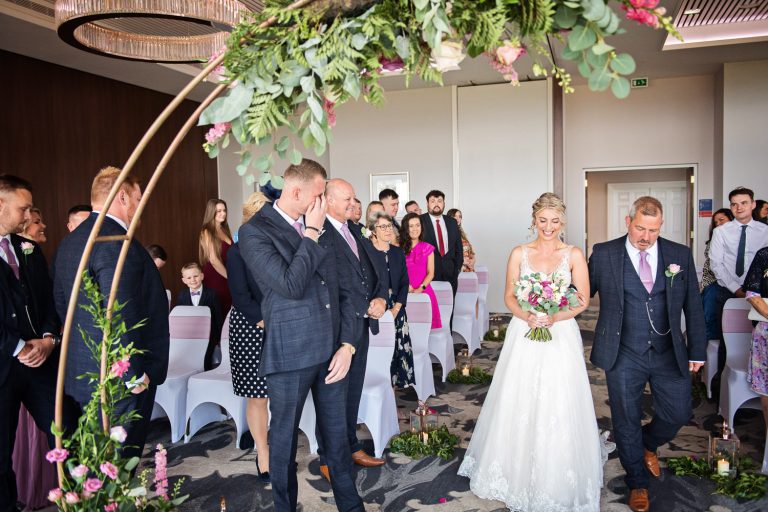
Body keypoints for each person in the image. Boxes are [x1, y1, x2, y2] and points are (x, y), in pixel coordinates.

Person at [459, 192, 602, 510]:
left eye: (554, 221)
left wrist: (554, 316)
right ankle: (513, 466)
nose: (548, 227)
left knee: (559, 395)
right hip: (524, 330)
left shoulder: (573, 254)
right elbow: (509, 296)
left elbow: (582, 300)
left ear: (563, 221)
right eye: (542, 220)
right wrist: (528, 316)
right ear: (533, 220)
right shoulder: (519, 253)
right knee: (519, 393)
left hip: (560, 332)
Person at [238, 159, 364, 512]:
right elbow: (290, 285)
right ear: (296, 191)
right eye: (318, 194)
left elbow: (347, 290)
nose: (322, 201)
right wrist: (310, 232)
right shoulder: (255, 232)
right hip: (291, 353)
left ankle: (351, 507)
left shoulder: (321, 225)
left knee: (337, 439)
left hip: (333, 352)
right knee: (283, 443)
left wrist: (348, 344)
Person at [589, 196, 706, 512]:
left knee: (678, 412)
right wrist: (550, 303)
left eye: (653, 230)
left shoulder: (679, 254)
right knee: (625, 418)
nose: (646, 237)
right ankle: (637, 482)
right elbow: (581, 293)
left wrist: (697, 349)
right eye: (640, 228)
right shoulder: (605, 253)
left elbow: (693, 305)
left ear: (661, 226)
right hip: (623, 351)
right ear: (628, 222)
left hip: (668, 350)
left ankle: (647, 443)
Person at [53, 166, 169, 461]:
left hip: (83, 373)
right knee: (119, 461)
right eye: (139, 198)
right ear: (122, 197)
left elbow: (63, 305)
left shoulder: (70, 241)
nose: (141, 206)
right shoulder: (115, 242)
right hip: (119, 382)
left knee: (95, 459)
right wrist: (133, 375)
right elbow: (120, 313)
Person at [0, 175, 77, 512]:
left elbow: (49, 300)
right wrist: (19, 347)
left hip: (40, 363)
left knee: (67, 430)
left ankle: (82, 499)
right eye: (24, 208)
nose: (29, 215)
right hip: (4, 365)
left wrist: (48, 339)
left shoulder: (28, 249)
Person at [317, 179, 388, 482]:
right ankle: (329, 457)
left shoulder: (356, 231)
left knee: (353, 391)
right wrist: (361, 307)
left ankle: (350, 445)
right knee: (332, 396)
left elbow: (374, 272)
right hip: (335, 331)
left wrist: (381, 298)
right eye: (346, 199)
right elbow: (335, 288)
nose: (353, 204)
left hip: (360, 325)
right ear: (329, 200)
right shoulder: (320, 234)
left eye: (354, 198)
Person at [227, 191, 270, 482]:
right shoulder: (236, 251)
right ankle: (263, 454)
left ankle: (278, 450)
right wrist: (265, 321)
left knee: (282, 394)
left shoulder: (276, 246)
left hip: (278, 323)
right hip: (250, 326)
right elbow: (240, 296)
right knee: (258, 396)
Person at [709, 187, 768, 382]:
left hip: (759, 294)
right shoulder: (720, 231)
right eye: (734, 204)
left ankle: (758, 383)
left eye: (744, 203)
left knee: (758, 338)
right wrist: (736, 288)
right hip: (728, 291)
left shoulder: (765, 231)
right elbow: (716, 264)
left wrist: (753, 290)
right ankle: (722, 388)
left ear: (753, 204)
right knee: (727, 340)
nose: (739, 207)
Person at [368, 211, 415, 391]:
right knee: (381, 352)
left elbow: (404, 282)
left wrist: (396, 308)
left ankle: (394, 392)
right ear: (374, 230)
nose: (388, 230)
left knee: (398, 349)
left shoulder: (397, 252)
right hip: (377, 309)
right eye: (383, 227)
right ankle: (382, 389)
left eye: (390, 226)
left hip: (398, 308)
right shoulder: (368, 252)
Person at [177, 262, 223, 371]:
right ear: (184, 280)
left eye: (195, 276)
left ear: (202, 276)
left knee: (206, 360)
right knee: (191, 361)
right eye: (189, 278)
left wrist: (219, 338)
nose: (193, 280)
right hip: (189, 336)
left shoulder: (212, 294)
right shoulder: (182, 295)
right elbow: (180, 318)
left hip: (209, 336)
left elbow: (218, 316)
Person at [400, 213, 441, 329]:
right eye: (411, 226)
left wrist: (420, 289)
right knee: (407, 329)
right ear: (406, 228)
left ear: (421, 227)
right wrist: (406, 287)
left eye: (417, 225)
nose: (415, 229)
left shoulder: (428, 248)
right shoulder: (399, 249)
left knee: (425, 331)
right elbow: (397, 272)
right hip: (405, 293)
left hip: (425, 292)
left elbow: (431, 273)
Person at [420, 190, 463, 293]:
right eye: (432, 201)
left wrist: (456, 269)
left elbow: (458, 248)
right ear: (427, 204)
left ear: (444, 203)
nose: (436, 204)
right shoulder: (419, 221)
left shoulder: (452, 222)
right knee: (429, 303)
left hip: (450, 275)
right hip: (427, 276)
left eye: (439, 201)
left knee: (450, 303)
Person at [700, 208, 734, 341]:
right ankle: (709, 338)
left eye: (722, 220)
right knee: (709, 308)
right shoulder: (715, 238)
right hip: (713, 280)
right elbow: (714, 267)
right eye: (716, 222)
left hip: (732, 281)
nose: (718, 224)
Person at [199, 198, 233, 316]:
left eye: (224, 210)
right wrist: (230, 277)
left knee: (228, 310)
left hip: (227, 275)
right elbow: (213, 259)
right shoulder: (207, 231)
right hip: (215, 276)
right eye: (219, 211)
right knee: (219, 312)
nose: (223, 213)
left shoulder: (224, 229)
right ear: (211, 212)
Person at [447, 208, 476, 272]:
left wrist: (473, 260)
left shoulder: (462, 233)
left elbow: (470, 252)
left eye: (460, 216)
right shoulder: (446, 234)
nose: (458, 218)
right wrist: (461, 260)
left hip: (468, 269)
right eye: (455, 216)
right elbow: (446, 256)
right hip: (456, 271)